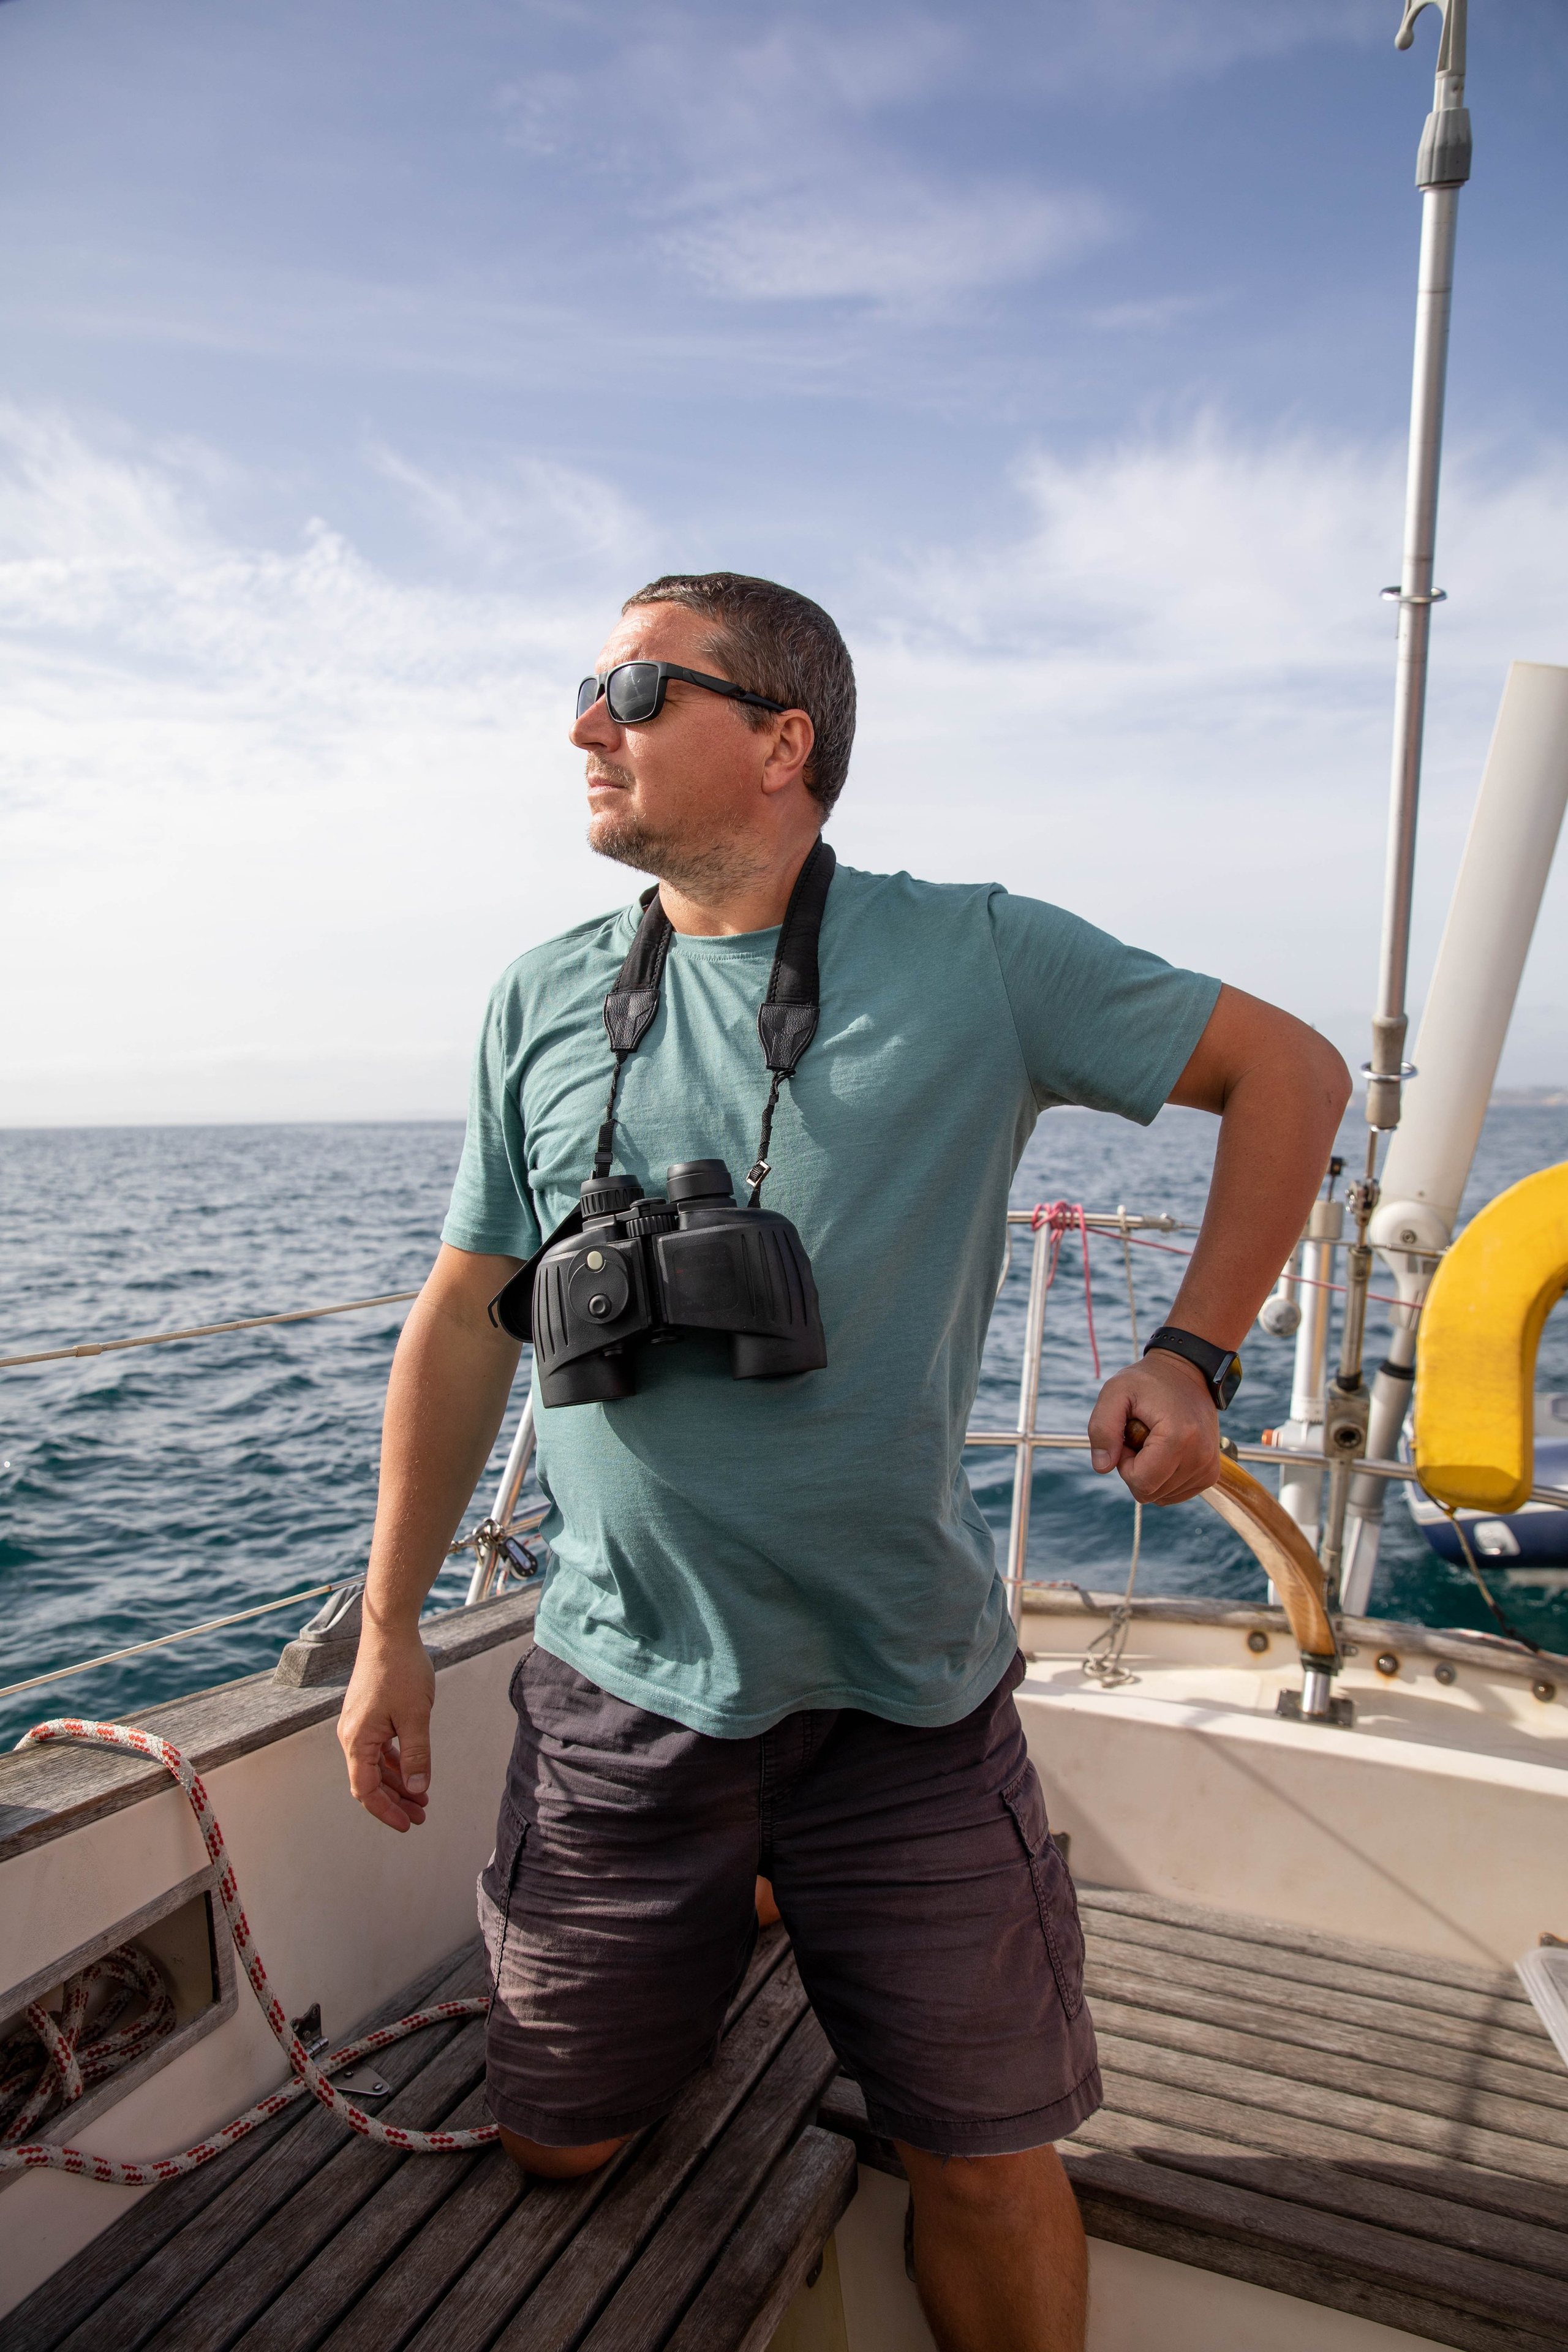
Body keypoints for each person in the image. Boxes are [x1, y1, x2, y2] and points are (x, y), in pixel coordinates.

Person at [337, 571, 1351, 2352]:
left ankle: (797, 1888)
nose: (583, 727)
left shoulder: (976, 955)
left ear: (781, 739)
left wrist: (1191, 1354)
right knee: (559, 2145)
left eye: (632, 692)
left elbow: (1294, 1072)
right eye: (587, 690)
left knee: (985, 2161)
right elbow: (462, 1320)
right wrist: (389, 1629)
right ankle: (738, 1899)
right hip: (621, 1687)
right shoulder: (542, 996)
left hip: (901, 1699)